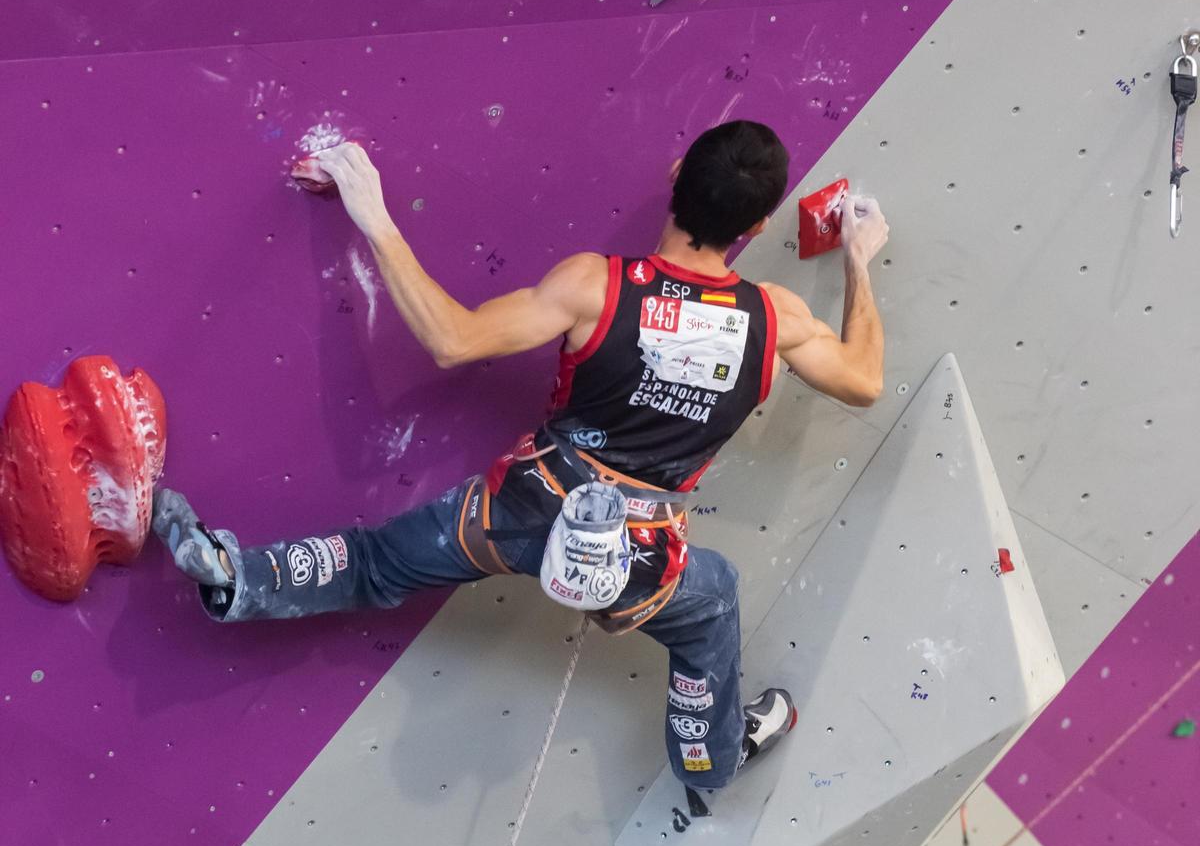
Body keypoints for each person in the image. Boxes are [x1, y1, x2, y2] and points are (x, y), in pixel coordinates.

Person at [153, 120, 888, 791]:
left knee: (376, 562)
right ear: (757, 226)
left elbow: (453, 338)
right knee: (713, 601)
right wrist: (858, 260)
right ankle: (709, 760)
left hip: (527, 508)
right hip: (637, 555)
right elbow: (864, 381)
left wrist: (371, 213)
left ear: (676, 178)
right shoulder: (777, 319)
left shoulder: (593, 288)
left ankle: (241, 577)